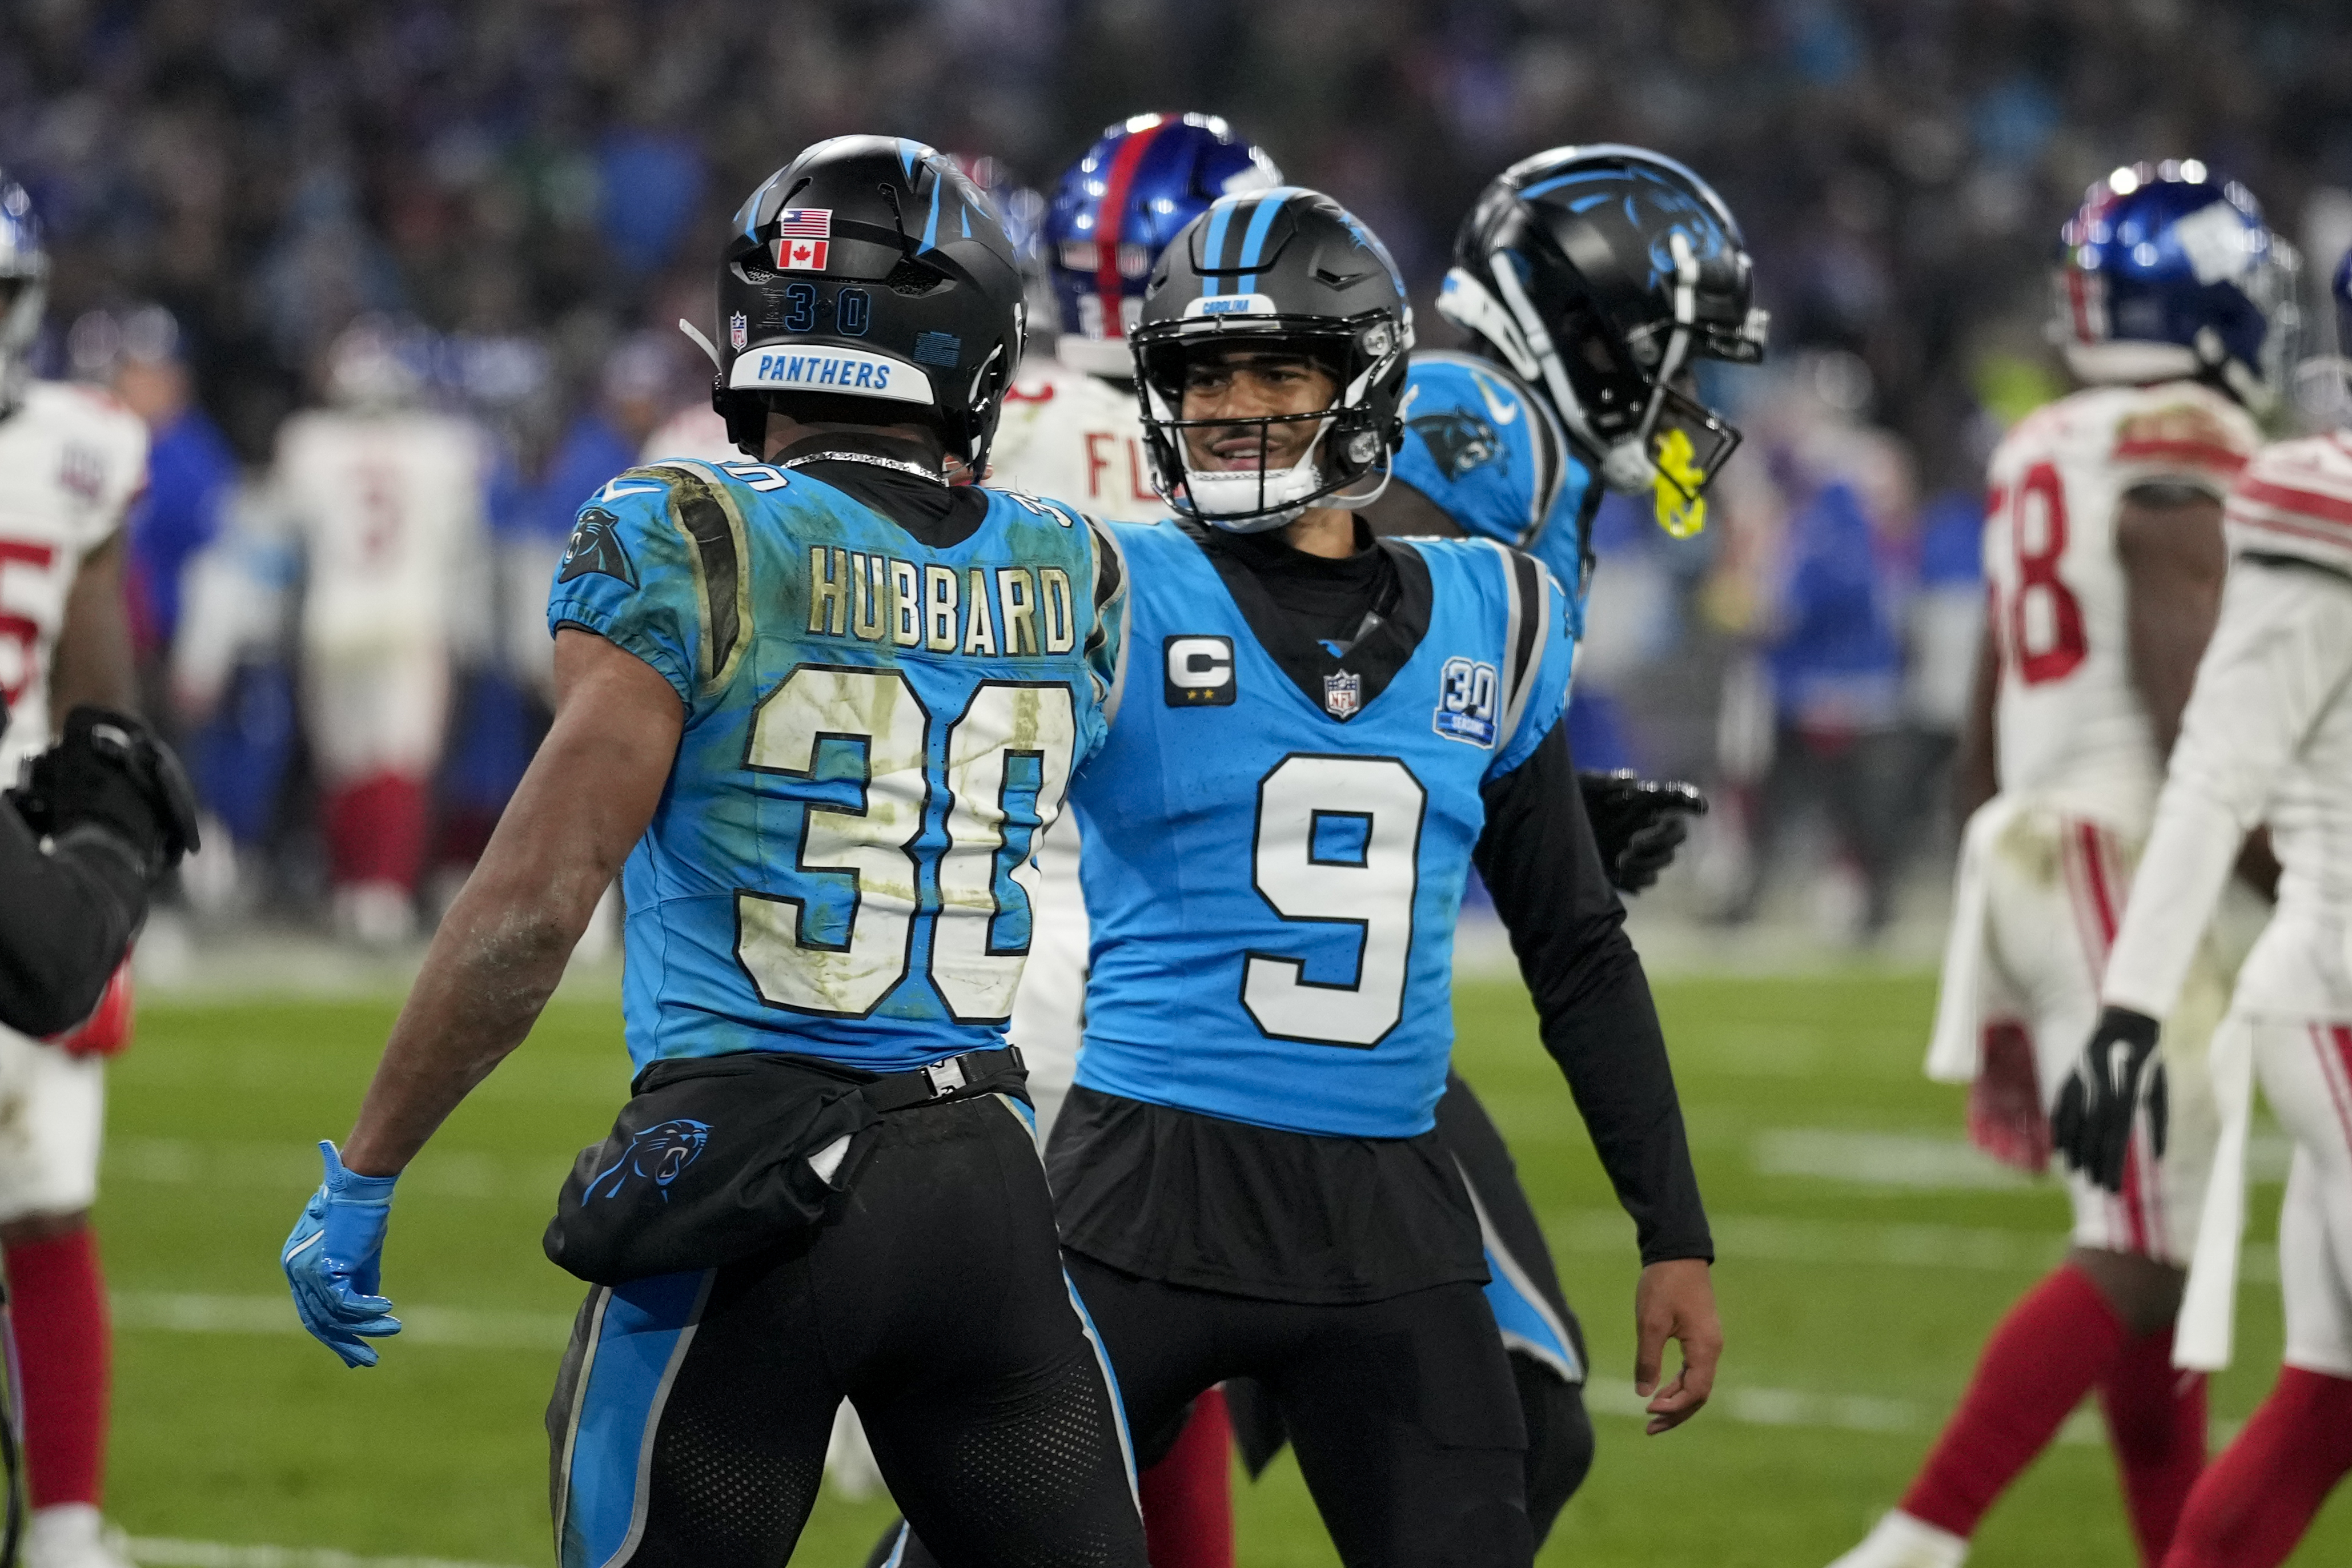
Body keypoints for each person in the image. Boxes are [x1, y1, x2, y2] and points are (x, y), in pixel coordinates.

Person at [278, 135, 1147, 1568]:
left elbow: (534, 906)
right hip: (980, 1177)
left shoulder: (691, 529)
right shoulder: (1075, 564)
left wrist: (369, 1167)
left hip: (749, 1181)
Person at [892, 185, 1719, 1568]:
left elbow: (1576, 947)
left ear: (1365, 381)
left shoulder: (1495, 610)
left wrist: (1671, 1232)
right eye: (1203, 375)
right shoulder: (1104, 586)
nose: (1231, 407)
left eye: (1275, 371)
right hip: (1141, 1195)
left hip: (1387, 1222)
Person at [1833, 162, 2293, 1568]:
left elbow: (1990, 690)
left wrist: (1995, 880)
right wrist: (2288, 874)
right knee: (2146, 1250)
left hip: (2034, 843)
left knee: (2157, 1248)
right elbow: (2185, 687)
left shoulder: (2041, 438)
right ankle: (1916, 1539)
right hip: (2118, 852)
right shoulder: (2183, 434)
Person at [2053, 248, 2352, 1568]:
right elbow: (2218, 768)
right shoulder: (2318, 501)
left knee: (2322, 1412)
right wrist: (2129, 1005)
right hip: (2339, 994)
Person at [0, 172, 158, 1568]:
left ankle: (55, 1522)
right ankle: (59, 1526)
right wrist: (104, 866)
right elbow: (99, 712)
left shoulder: (82, 446)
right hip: (23, 860)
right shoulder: (73, 449)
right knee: (44, 1203)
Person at [272, 316, 491, 944]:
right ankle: (384, 893)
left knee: (344, 764)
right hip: (410, 619)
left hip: (333, 617)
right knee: (400, 760)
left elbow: (285, 536)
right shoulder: (447, 448)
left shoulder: (307, 443)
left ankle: (351, 890)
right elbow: (464, 547)